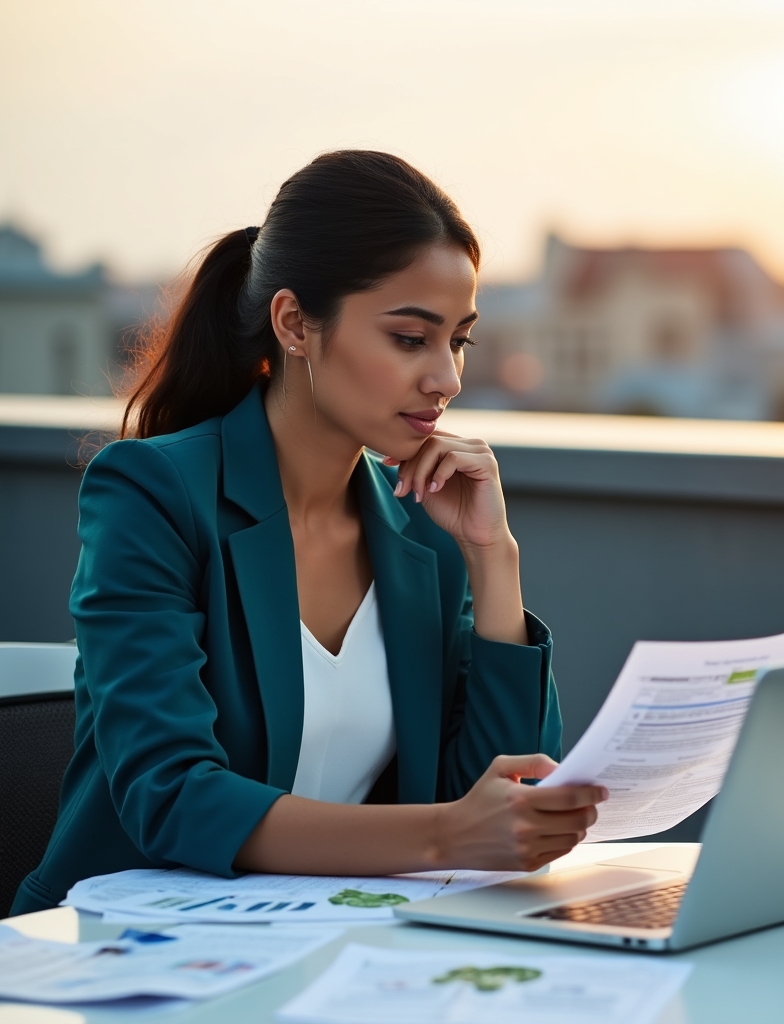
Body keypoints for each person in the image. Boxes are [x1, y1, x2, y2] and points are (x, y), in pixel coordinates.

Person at [12, 151, 606, 916]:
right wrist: (443, 838)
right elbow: (170, 795)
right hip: (128, 951)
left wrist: (495, 559)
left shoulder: (423, 533)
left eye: (458, 340)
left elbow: (489, 796)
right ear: (294, 324)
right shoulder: (153, 492)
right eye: (408, 338)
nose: (446, 379)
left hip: (330, 944)